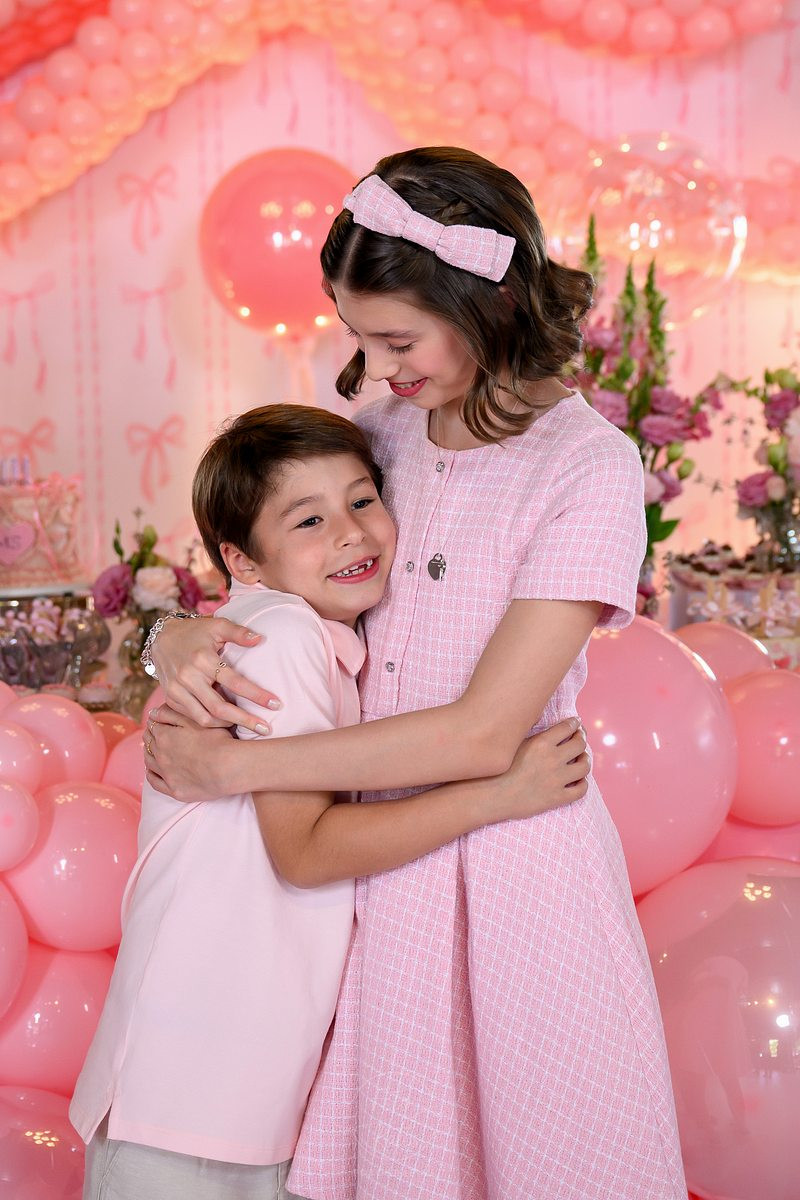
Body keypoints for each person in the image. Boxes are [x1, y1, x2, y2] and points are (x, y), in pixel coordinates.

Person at [145, 148, 687, 1200]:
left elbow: (484, 734)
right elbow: (271, 581)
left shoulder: (584, 467)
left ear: (489, 302)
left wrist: (238, 770)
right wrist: (167, 634)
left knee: (541, 1150)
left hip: (518, 862)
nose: (379, 365)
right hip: (380, 863)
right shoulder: (381, 432)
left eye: (397, 340)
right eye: (359, 337)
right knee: (403, 1151)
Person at [71, 403, 587, 1200]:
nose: (351, 533)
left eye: (363, 500)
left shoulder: (308, 633)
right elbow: (307, 851)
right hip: (190, 1086)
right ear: (243, 560)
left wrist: (161, 630)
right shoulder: (278, 638)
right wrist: (499, 795)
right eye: (309, 519)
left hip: (219, 1078)